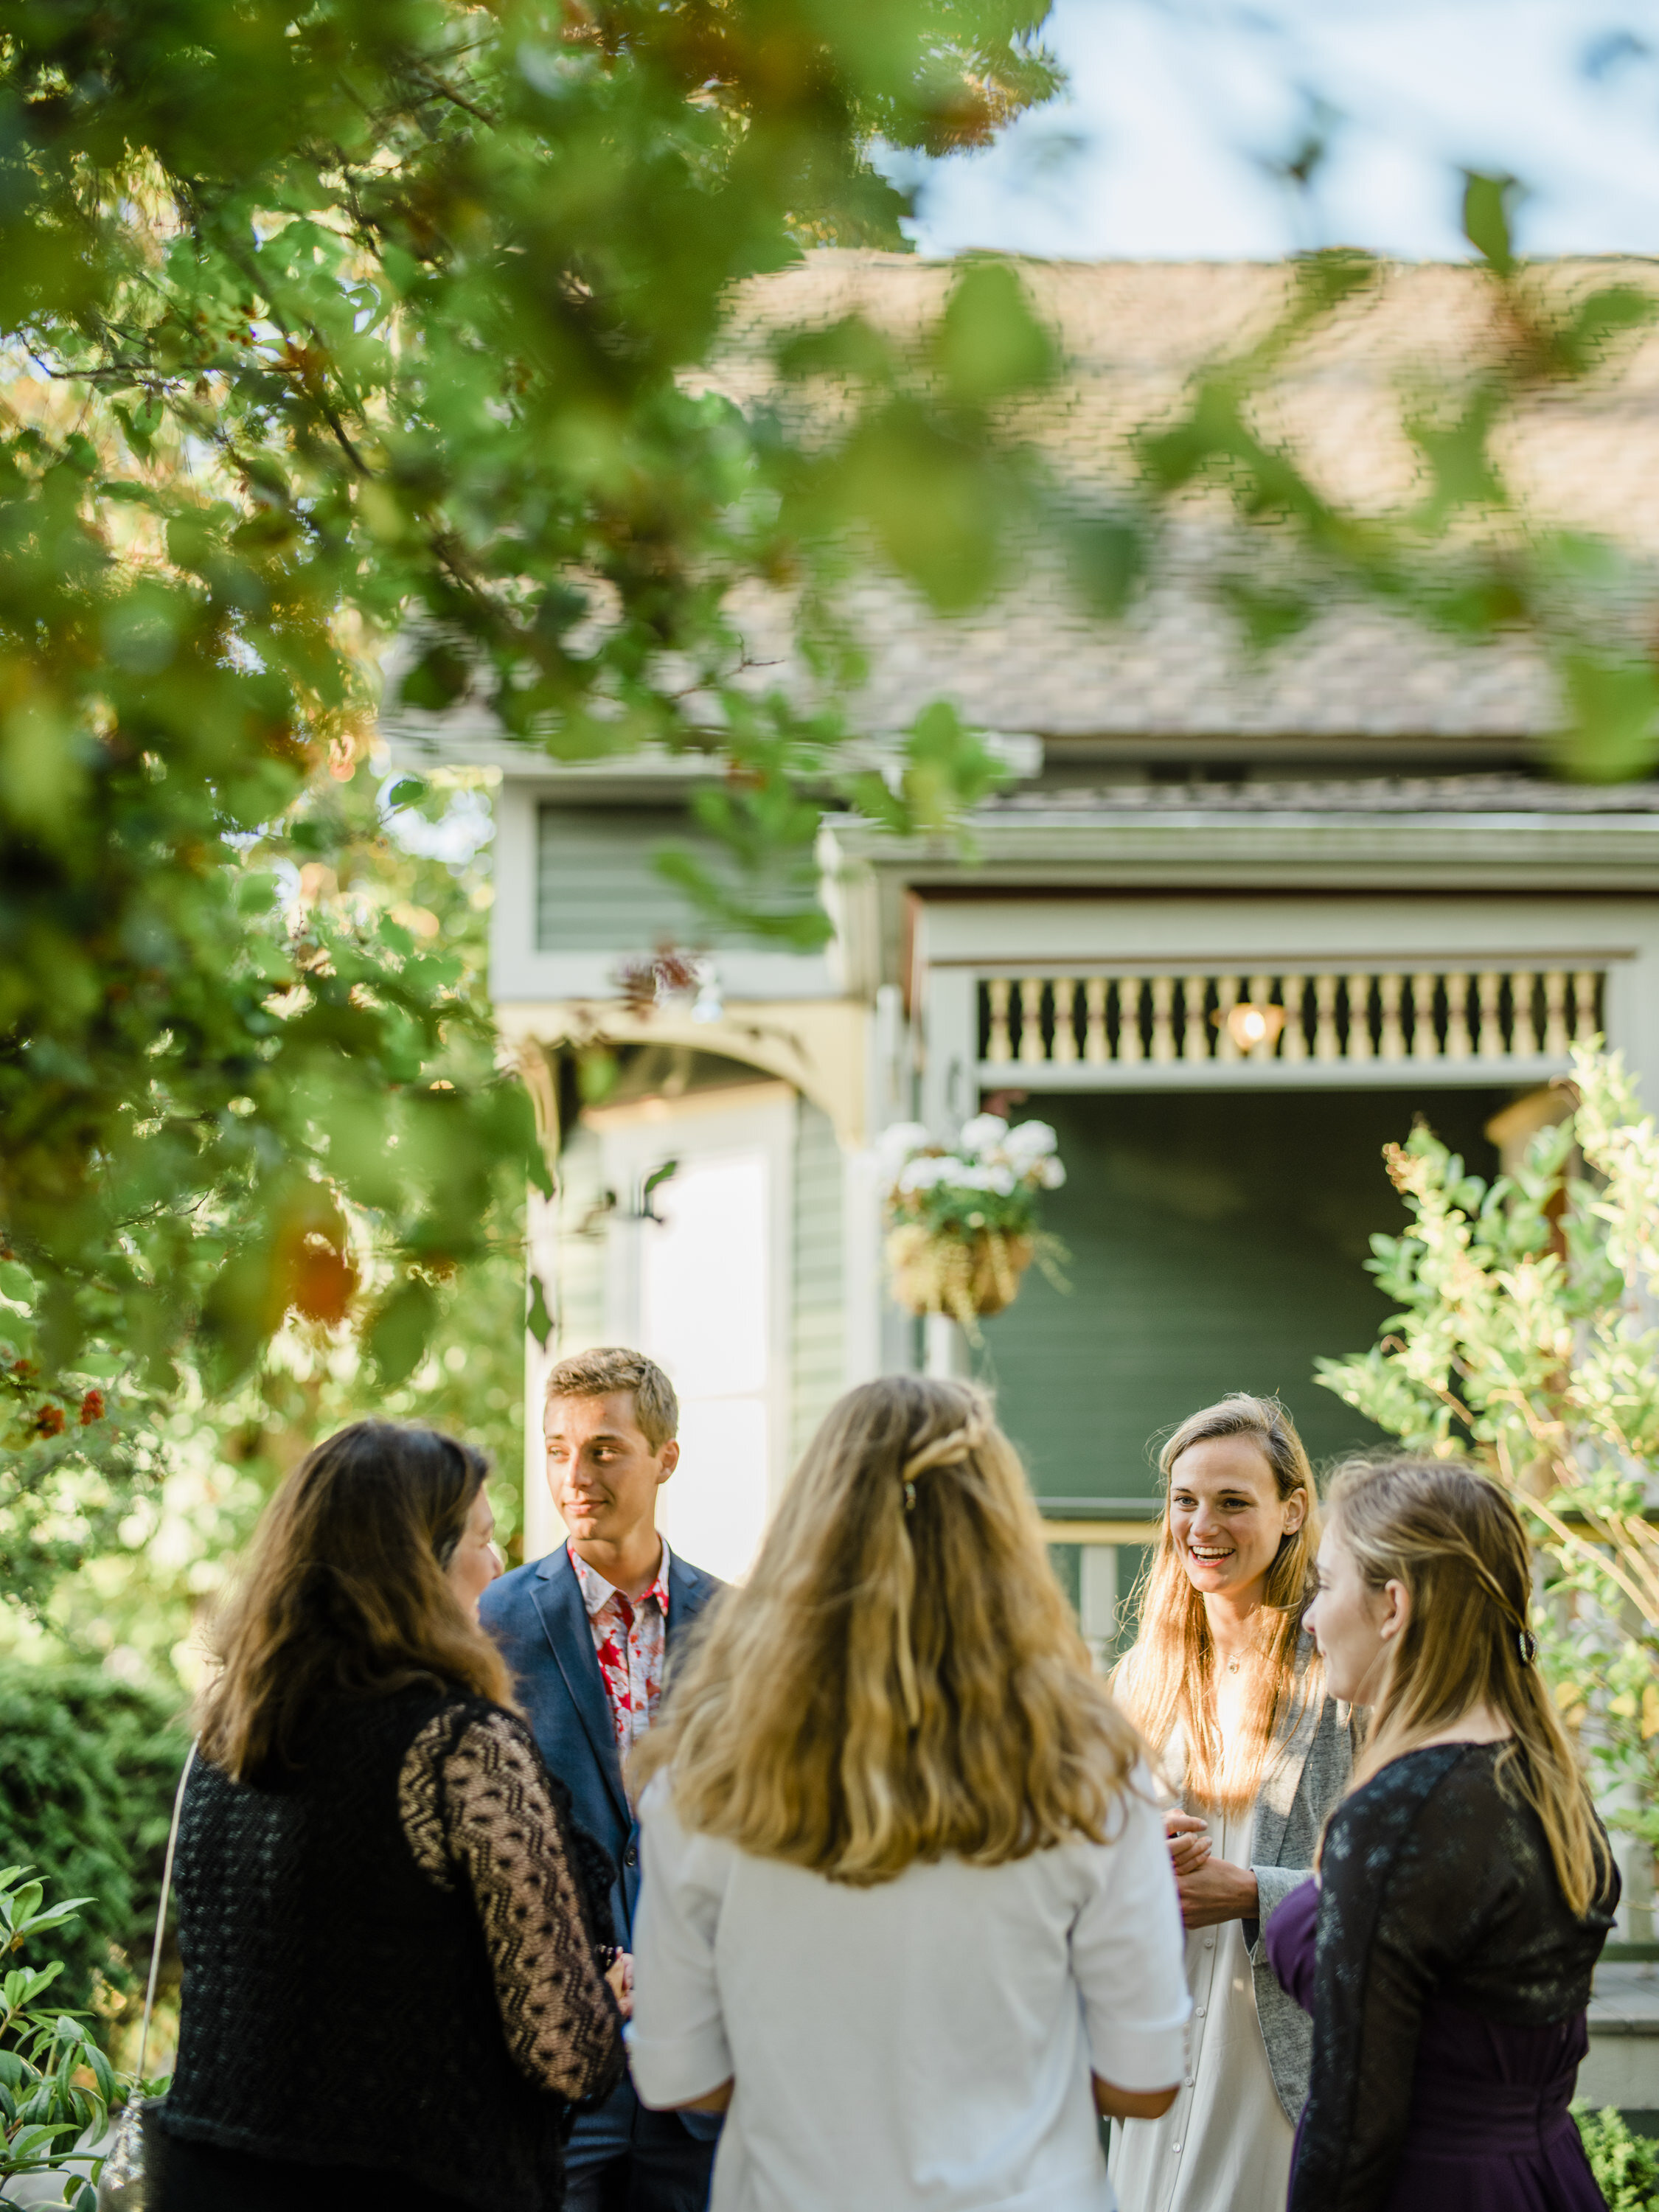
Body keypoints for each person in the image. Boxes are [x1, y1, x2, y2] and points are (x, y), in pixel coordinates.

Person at [626, 1374, 1192, 2212]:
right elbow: (1144, 2082)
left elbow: (679, 2077)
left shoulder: (707, 1774)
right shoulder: (1091, 1766)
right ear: (1001, 1538)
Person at [149, 1419, 625, 2212]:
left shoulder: (225, 1737)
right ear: (420, 1565)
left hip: (215, 2175)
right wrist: (602, 1987)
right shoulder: (460, 1744)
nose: (499, 1560)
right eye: (479, 1536)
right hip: (410, 2182)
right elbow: (567, 2054)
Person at [1267, 1455, 1620, 2212]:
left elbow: (1352, 2123)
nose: (1308, 1618)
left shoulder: (1402, 1814)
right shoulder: (1546, 1783)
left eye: (1325, 1586)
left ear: (1392, 1606)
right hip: (1544, 2178)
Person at [481, 1347, 725, 2212]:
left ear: (666, 1457)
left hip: (703, 2068)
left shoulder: (741, 1631)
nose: (574, 1475)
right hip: (548, 2068)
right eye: (557, 1449)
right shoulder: (491, 1624)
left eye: (604, 1449)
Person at [1109, 1394, 1355, 2212]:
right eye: (1185, 1500)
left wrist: (1254, 1893)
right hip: (1159, 2047)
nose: (1201, 1525)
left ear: (1292, 1512)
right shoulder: (1140, 1680)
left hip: (1284, 2062)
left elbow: (1403, 1883)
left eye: (1233, 1502)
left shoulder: (1343, 1679)